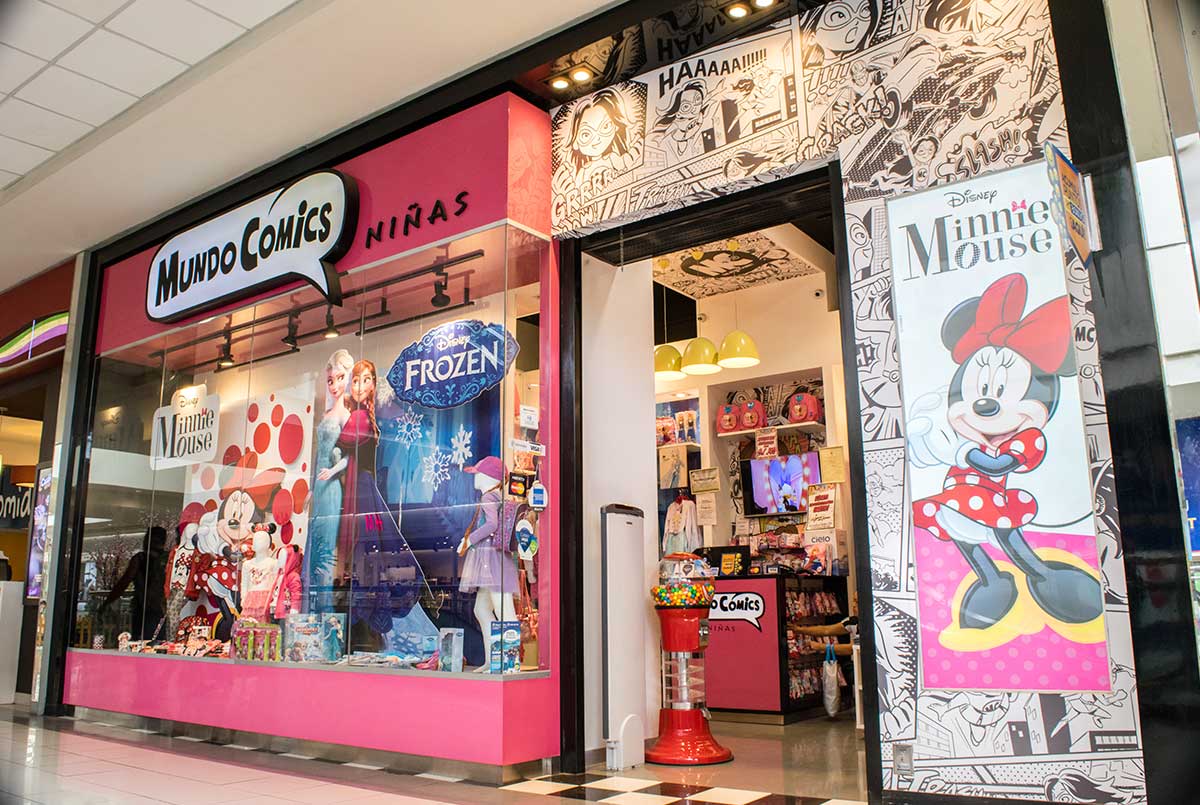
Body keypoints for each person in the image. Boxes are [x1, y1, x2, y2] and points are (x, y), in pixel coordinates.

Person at [101, 526, 168, 640]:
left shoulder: (140, 559)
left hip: (144, 608)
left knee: (142, 642)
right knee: (158, 641)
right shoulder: (167, 559)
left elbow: (124, 582)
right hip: (161, 608)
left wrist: (107, 602)